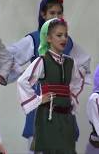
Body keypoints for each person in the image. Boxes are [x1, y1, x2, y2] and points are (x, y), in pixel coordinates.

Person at [8, 0, 91, 149]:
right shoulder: (33, 39)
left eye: (59, 13)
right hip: (43, 105)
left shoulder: (68, 42)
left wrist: (71, 96)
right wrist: (13, 73)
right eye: (52, 13)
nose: (56, 16)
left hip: (63, 109)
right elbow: (10, 57)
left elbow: (83, 66)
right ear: (43, 14)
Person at [17, 18, 84, 153]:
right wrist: (39, 99)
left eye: (65, 35)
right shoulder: (42, 61)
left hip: (66, 117)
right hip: (48, 116)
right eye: (59, 35)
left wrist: (71, 98)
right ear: (48, 38)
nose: (63, 38)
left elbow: (77, 81)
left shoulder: (71, 62)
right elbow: (22, 81)